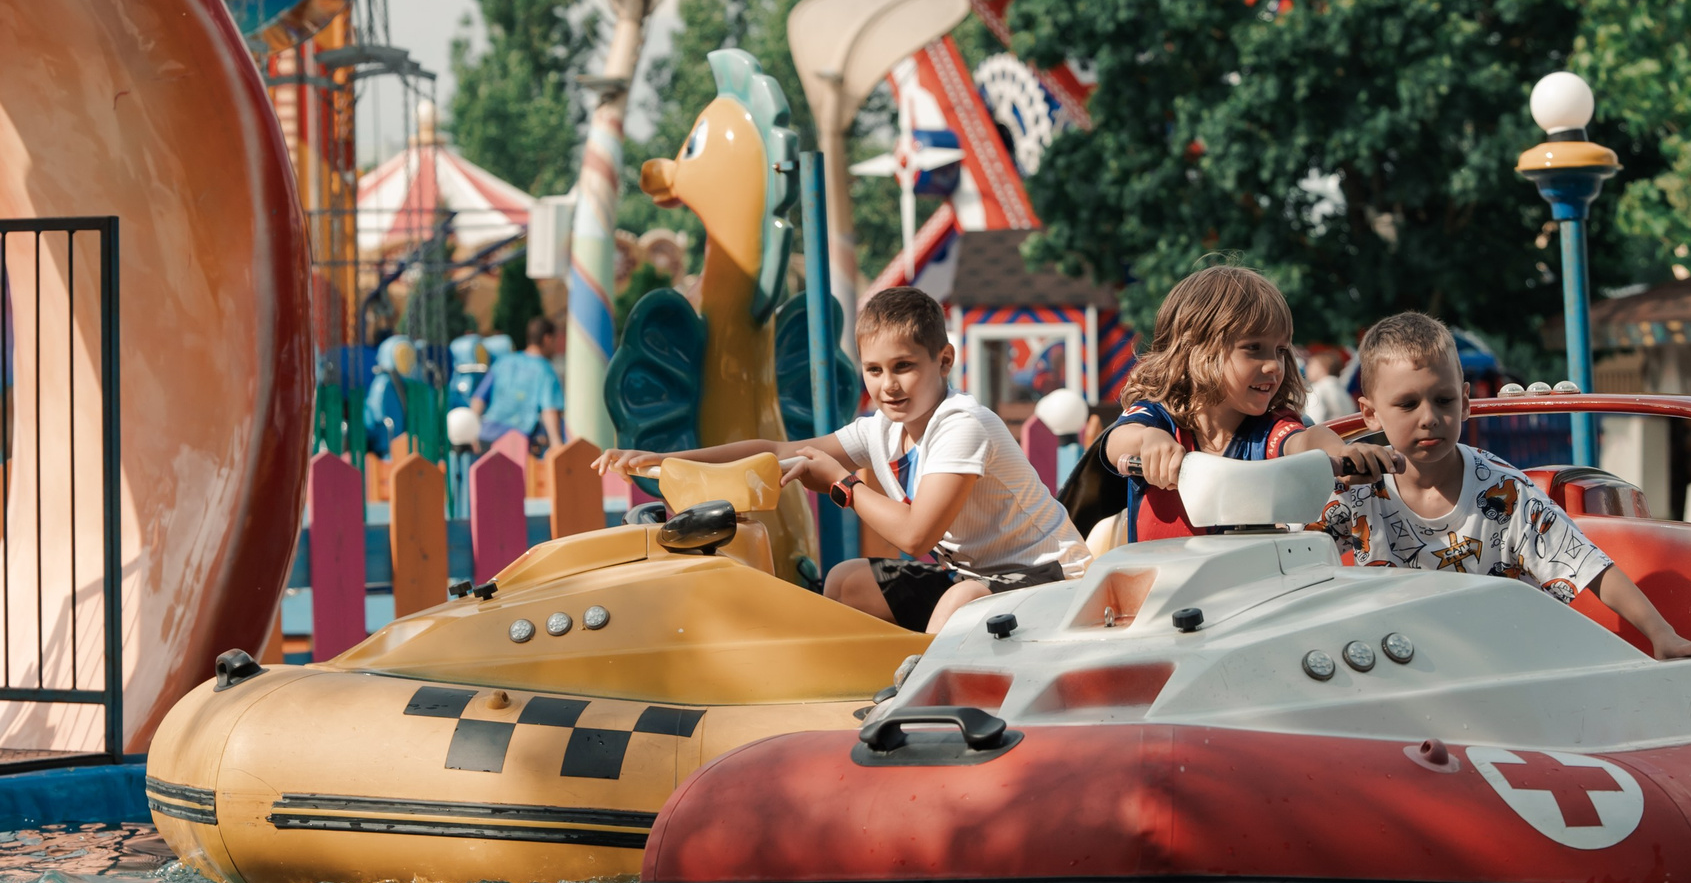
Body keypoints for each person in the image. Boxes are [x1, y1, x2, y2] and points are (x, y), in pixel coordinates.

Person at [598, 287, 1087, 633]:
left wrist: (844, 485)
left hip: (1055, 577)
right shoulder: (882, 427)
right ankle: (854, 688)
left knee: (958, 607)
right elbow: (776, 450)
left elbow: (917, 535)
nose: (887, 385)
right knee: (847, 581)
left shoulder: (963, 424)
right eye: (874, 370)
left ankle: (923, 705)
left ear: (944, 360)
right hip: (981, 576)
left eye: (904, 367)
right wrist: (665, 458)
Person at [1321, 312, 1691, 659]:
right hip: (1402, 663)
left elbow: (1586, 563)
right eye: (1408, 404)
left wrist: (1663, 636)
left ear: (1465, 402)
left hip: (1507, 661)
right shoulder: (1354, 488)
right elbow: (1286, 554)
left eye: (1443, 401)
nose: (1430, 418)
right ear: (1371, 414)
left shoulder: (1505, 491)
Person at [1100, 266, 1396, 538]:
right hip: (1159, 588)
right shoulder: (1158, 419)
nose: (1274, 366)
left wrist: (1343, 452)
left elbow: (1303, 440)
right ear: (1196, 350)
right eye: (1253, 348)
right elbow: (1117, 441)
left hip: (1247, 587)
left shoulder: (1268, 429)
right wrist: (1150, 441)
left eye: (1280, 350)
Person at [474, 315, 565, 455]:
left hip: (487, 437)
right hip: (518, 441)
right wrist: (556, 442)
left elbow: (478, 399)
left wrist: (472, 432)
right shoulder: (546, 371)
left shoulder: (503, 362)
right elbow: (549, 409)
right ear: (547, 339)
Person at [1302, 347, 1357, 426]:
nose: (1307, 368)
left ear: (1322, 368)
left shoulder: (1318, 389)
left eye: (1311, 365)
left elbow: (1314, 422)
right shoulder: (1341, 389)